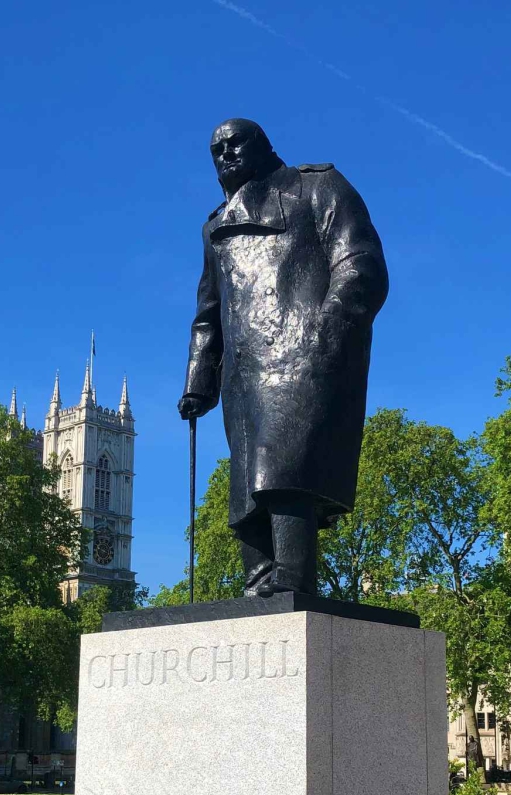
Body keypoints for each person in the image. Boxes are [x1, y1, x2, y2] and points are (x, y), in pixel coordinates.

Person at [179, 119, 389, 596]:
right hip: (242, 371)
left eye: (237, 144)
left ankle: (294, 575)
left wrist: (328, 325)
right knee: (246, 486)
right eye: (217, 150)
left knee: (285, 470)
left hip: (304, 354)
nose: (227, 155)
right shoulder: (216, 227)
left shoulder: (317, 187)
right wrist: (197, 380)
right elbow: (208, 312)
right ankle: (259, 578)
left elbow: (361, 263)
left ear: (265, 145)